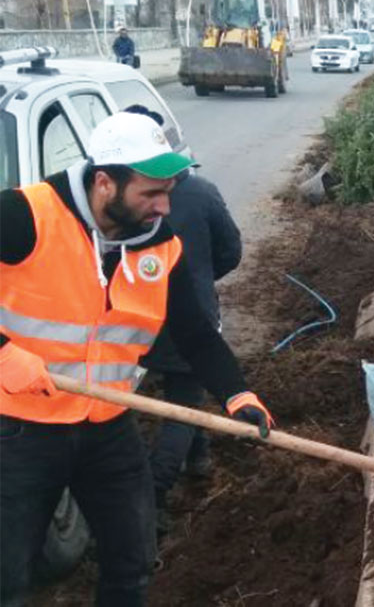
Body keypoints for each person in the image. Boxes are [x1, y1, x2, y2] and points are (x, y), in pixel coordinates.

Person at [0, 112, 274, 606]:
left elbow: (194, 334)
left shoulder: (160, 245)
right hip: (21, 428)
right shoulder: (25, 216)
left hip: (107, 423)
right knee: (8, 573)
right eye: (151, 192)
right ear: (105, 182)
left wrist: (238, 392)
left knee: (132, 560)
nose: (164, 205)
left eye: (167, 189)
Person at [121, 106, 244, 536]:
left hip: (141, 322)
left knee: (184, 395)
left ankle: (200, 456)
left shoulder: (124, 202)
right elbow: (231, 251)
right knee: (183, 404)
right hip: (190, 322)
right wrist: (202, 277)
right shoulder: (203, 193)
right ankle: (154, 492)